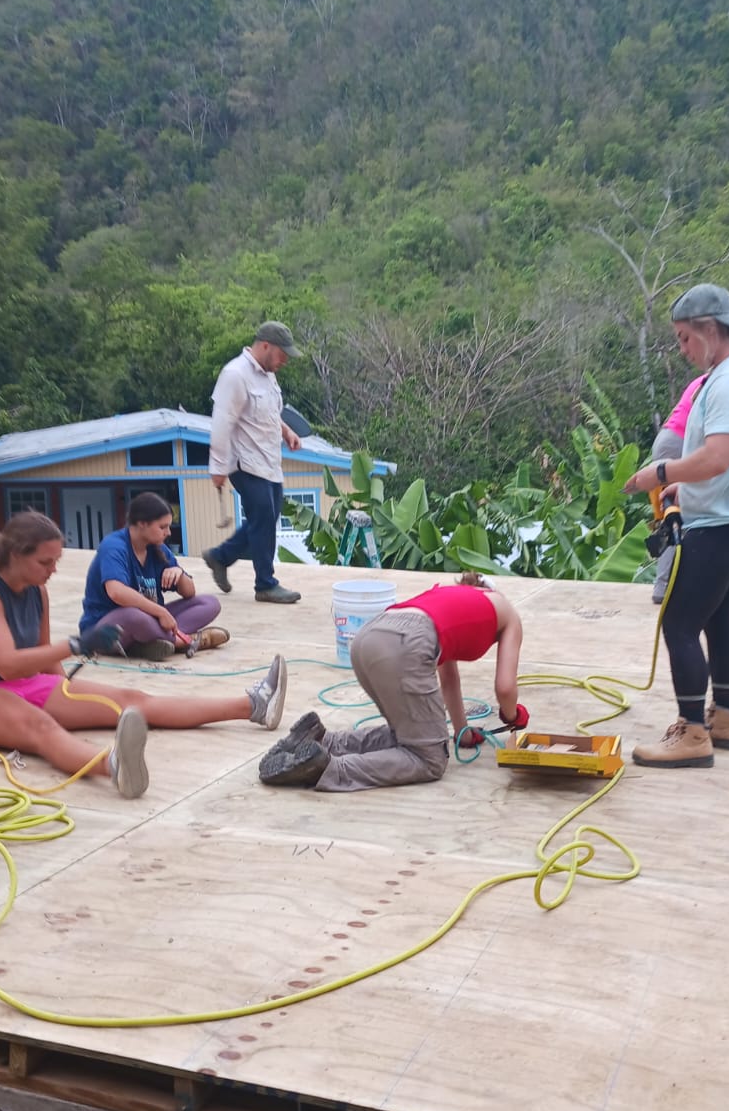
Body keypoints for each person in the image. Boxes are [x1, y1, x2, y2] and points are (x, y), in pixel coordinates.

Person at [0, 511, 288, 799]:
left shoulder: (37, 591)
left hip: (27, 684)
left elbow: (42, 654)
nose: (53, 570)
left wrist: (66, 692)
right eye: (45, 562)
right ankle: (114, 766)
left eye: (56, 560)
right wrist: (77, 644)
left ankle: (253, 705)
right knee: (41, 727)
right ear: (15, 556)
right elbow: (7, 664)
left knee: (133, 700)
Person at [622, 284, 729, 768]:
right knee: (718, 620)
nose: (683, 349)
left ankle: (692, 734)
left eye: (685, 338)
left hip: (723, 525)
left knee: (679, 624)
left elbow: (718, 456)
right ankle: (724, 719)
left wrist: (661, 473)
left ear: (710, 330)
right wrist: (684, 492)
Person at [258, 572, 527, 792]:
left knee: (410, 737)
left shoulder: (449, 597)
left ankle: (324, 740)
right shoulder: (508, 613)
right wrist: (512, 715)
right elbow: (505, 688)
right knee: (430, 759)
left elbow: (449, 680)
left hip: (367, 638)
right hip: (408, 645)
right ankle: (326, 768)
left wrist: (463, 734)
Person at [203, 321, 305, 605]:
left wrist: (287, 431)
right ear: (265, 346)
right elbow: (222, 423)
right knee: (263, 519)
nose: (284, 360)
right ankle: (265, 584)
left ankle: (220, 556)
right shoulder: (235, 375)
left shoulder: (268, 376)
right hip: (244, 462)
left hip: (269, 461)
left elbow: (270, 413)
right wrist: (218, 467)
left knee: (266, 519)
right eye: (282, 354)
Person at [78, 492, 229, 661]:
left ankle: (150, 643)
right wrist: (160, 611)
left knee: (209, 603)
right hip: (107, 628)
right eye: (162, 527)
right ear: (142, 524)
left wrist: (179, 574)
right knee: (133, 616)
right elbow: (116, 592)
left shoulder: (157, 548)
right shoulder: (114, 547)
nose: (168, 532)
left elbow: (189, 593)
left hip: (151, 621)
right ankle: (186, 641)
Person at [647, 374, 706, 603]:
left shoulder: (706, 378)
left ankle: (667, 585)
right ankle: (663, 586)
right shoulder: (719, 380)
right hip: (679, 444)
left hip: (668, 440)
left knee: (675, 515)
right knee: (676, 517)